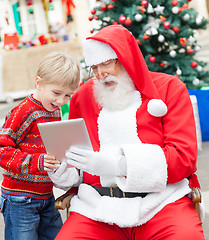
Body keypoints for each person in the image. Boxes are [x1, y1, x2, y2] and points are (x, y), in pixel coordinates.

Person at [51, 25, 205, 239]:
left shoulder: (169, 88)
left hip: (161, 202)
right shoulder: (82, 97)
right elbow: (77, 161)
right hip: (97, 208)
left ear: (126, 58)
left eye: (106, 63)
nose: (100, 74)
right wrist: (65, 174)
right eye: (93, 67)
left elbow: (183, 159)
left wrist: (118, 165)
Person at [0, 51, 80, 240]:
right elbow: (2, 150)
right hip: (20, 199)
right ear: (39, 83)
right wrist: (38, 162)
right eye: (56, 93)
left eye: (68, 95)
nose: (61, 101)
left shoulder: (53, 110)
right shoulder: (25, 111)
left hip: (46, 195)